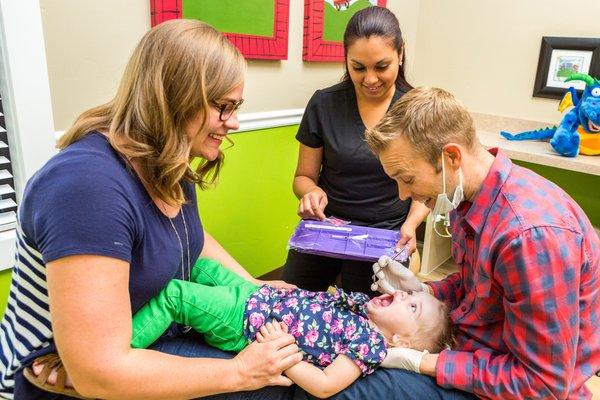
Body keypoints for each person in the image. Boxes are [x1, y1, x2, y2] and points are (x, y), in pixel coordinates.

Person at [0, 20, 303, 400]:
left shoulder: (168, 161)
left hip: (148, 338)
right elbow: (99, 373)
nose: (234, 123)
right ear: (176, 100)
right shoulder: (87, 187)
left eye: (236, 107)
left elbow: (189, 240)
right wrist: (240, 373)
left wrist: (253, 288)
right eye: (223, 107)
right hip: (62, 381)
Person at [364, 87, 600, 399]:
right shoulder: (470, 199)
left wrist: (425, 363)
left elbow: (542, 386)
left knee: (363, 388)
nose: (403, 195)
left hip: (518, 387)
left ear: (451, 157)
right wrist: (425, 290)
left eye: (407, 179)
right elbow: (483, 287)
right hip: (478, 348)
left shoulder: (528, 238)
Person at [27, 257, 454, 399]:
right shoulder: (363, 310)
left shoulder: (368, 346)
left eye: (412, 306)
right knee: (200, 264)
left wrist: (281, 358)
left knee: (179, 294)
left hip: (246, 322)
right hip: (255, 295)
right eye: (408, 294)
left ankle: (117, 353)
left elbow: (325, 386)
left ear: (400, 340)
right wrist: (411, 287)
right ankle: (108, 297)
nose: (402, 296)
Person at [282, 6, 430, 296]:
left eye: (381, 66)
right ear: (346, 60)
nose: (370, 79)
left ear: (401, 53)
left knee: (369, 319)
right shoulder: (323, 104)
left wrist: (411, 225)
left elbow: (426, 187)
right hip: (327, 229)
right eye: (358, 67)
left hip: (385, 235)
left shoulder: (417, 109)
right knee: (288, 302)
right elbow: (302, 177)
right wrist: (310, 193)